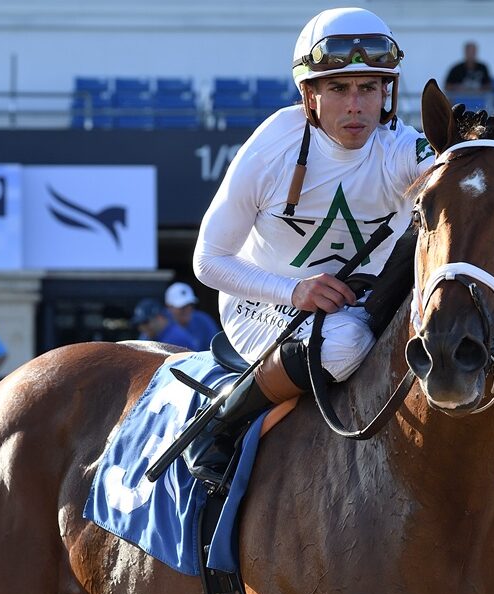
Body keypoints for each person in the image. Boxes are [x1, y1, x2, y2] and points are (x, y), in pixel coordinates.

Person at [188, 7, 434, 485]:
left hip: (365, 304)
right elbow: (207, 261)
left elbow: (461, 176)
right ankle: (221, 422)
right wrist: (294, 291)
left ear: (388, 91)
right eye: (338, 89)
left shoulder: (403, 146)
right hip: (261, 300)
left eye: (369, 88)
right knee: (345, 345)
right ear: (309, 95)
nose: (357, 106)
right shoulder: (272, 144)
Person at [164, 281, 220, 352]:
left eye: (189, 305)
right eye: (182, 307)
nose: (187, 309)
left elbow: (216, 349)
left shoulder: (203, 320)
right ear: (169, 307)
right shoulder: (161, 325)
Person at [130, 298, 196, 349]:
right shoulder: (146, 336)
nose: (142, 327)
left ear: (159, 317)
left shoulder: (176, 339)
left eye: (145, 322)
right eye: (140, 324)